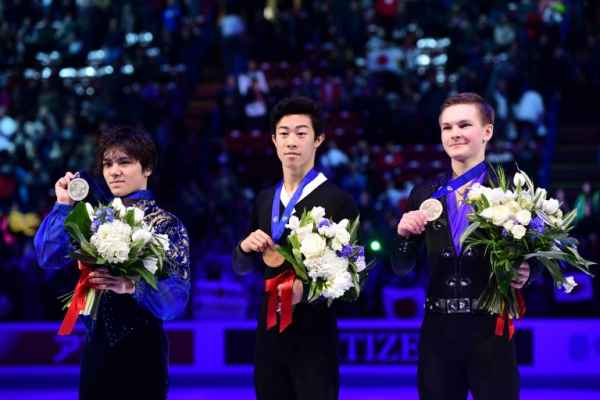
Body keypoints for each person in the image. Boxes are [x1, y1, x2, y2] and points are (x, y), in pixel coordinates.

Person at [34, 126, 190, 400]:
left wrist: (132, 286)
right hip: (96, 353)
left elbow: (175, 302)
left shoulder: (166, 225)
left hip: (143, 355)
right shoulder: (94, 220)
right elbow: (48, 257)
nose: (114, 171)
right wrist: (63, 204)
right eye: (108, 164)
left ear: (147, 168)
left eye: (124, 162)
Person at [393, 93, 531, 400]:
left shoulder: (511, 190)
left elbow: (531, 255)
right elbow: (402, 268)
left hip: (491, 331)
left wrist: (526, 271)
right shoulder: (424, 193)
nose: (454, 133)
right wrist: (403, 237)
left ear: (487, 131)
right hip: (438, 333)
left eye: (464, 125)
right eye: (447, 127)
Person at [233, 97, 358, 400]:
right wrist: (243, 248)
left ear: (318, 139)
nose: (291, 141)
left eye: (301, 133)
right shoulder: (265, 200)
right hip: (269, 332)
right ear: (274, 140)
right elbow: (242, 267)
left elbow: (355, 275)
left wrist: (311, 291)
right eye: (284, 133)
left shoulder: (339, 200)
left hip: (315, 336)